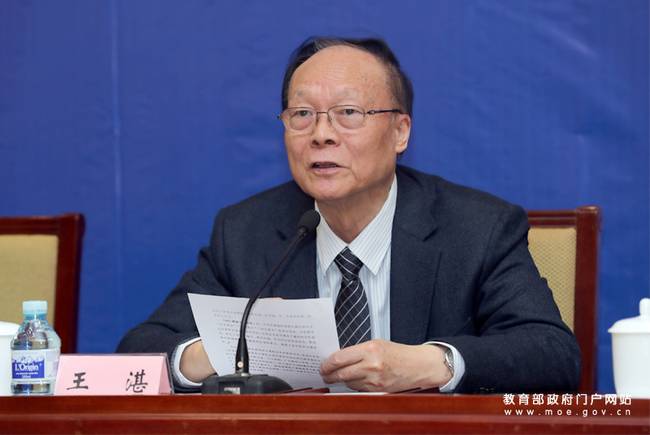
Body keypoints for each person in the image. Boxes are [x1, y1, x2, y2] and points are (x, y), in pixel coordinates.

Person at [117, 37, 580, 393]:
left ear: (400, 132)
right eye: (302, 114)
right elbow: (138, 353)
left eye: (348, 112)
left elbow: (553, 354)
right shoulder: (245, 232)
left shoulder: (477, 228)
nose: (321, 134)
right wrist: (227, 351)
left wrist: (432, 363)